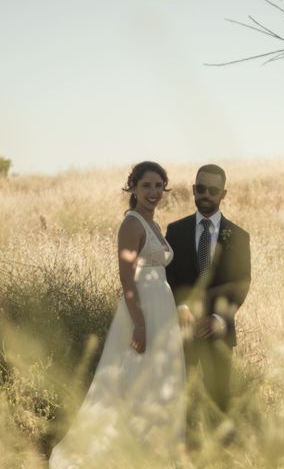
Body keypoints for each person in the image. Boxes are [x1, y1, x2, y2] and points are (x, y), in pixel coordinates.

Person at [49, 162, 186, 468]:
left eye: (158, 186)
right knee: (134, 378)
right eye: (146, 185)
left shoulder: (156, 226)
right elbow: (127, 277)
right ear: (133, 188)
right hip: (142, 312)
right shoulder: (132, 225)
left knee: (161, 377)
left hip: (162, 307)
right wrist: (139, 324)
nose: (153, 192)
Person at [165, 164, 251, 424]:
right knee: (180, 401)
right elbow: (169, 276)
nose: (206, 194)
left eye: (213, 190)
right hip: (183, 331)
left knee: (219, 400)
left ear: (223, 194)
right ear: (193, 189)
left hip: (219, 331)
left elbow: (241, 282)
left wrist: (219, 317)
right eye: (201, 188)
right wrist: (181, 309)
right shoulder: (175, 231)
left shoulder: (238, 236)